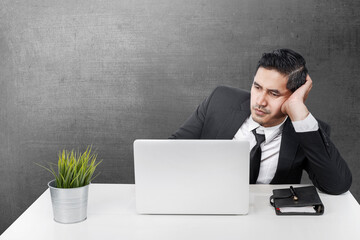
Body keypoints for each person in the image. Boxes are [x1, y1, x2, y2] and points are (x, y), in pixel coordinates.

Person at [170, 48, 352, 195]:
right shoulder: (220, 100)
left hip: (268, 221)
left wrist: (298, 108)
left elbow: (337, 185)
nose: (260, 101)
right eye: (257, 87)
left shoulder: (306, 131)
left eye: (274, 94)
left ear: (293, 96)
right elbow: (172, 150)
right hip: (207, 205)